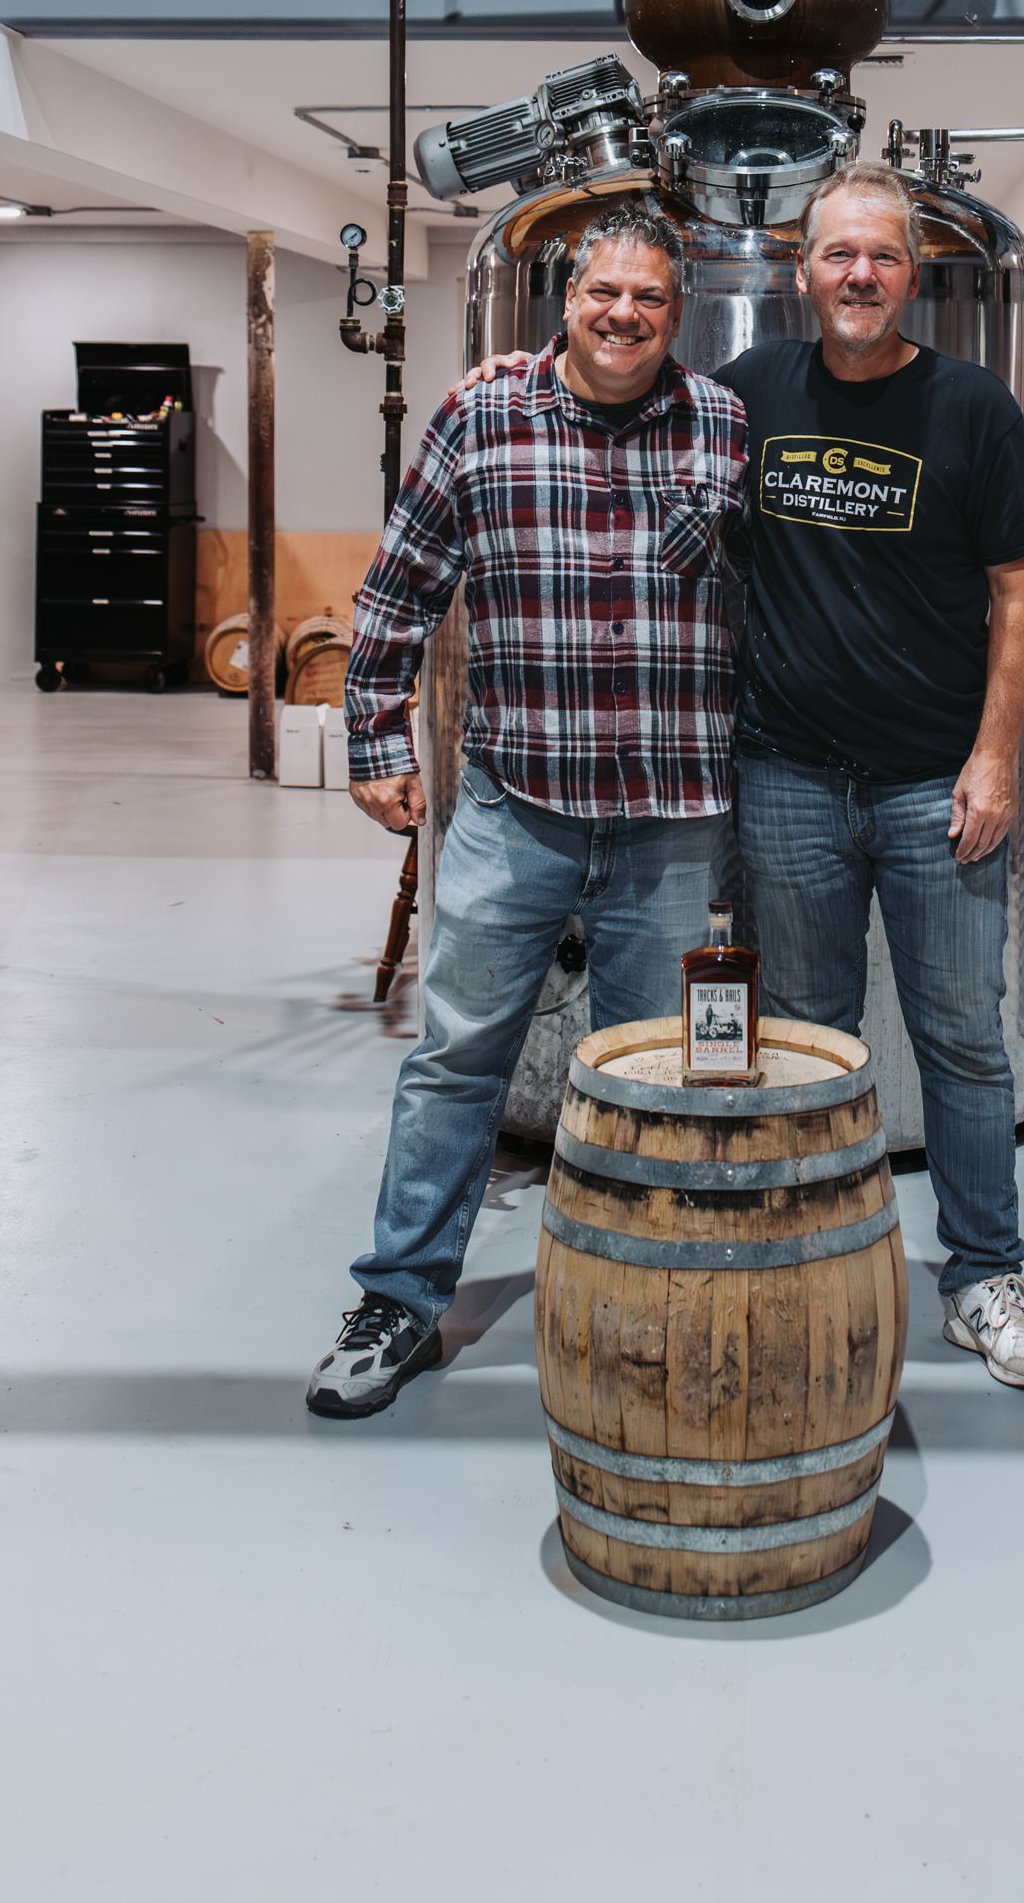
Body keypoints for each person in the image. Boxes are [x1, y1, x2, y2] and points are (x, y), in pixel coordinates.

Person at [307, 202, 747, 1418]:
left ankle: (645, 1298)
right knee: (457, 1061)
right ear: (566, 298)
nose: (623, 314)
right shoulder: (481, 412)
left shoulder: (722, 424)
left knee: (656, 1075)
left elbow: (771, 607)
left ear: (679, 313)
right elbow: (399, 585)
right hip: (519, 806)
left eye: (649, 299)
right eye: (605, 291)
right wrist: (371, 734)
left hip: (670, 817)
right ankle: (398, 1297)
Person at [715, 165, 1024, 1390]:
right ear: (799, 271)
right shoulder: (751, 390)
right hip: (787, 782)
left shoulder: (971, 406)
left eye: (880, 257)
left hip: (936, 784)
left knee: (962, 1043)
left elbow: (1021, 586)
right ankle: (822, 1256)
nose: (857, 275)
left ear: (911, 277)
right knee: (809, 1041)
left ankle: (983, 1278)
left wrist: (994, 756)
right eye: (836, 256)